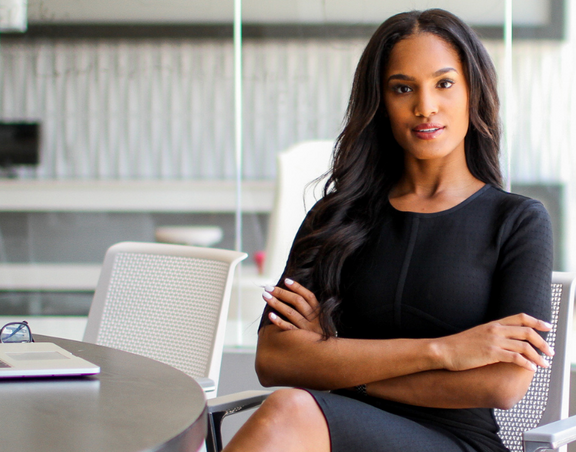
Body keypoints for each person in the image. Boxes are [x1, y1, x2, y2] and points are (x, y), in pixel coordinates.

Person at [223, 8, 554, 452]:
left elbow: (502, 384)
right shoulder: (336, 217)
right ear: (380, 102)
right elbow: (275, 360)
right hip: (338, 427)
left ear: (473, 91)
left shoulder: (518, 221)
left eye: (444, 83)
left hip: (455, 442)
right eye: (403, 88)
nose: (425, 107)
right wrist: (444, 351)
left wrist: (338, 363)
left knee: (290, 409)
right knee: (290, 406)